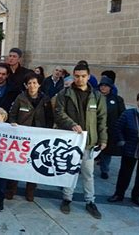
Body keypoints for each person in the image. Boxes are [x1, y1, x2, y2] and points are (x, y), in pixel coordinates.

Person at [54, 64, 107, 219]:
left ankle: (90, 201)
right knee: (69, 171)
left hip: (88, 142)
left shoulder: (97, 96)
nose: (80, 79)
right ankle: (66, 199)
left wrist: (103, 138)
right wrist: (71, 124)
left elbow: (102, 119)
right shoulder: (65, 94)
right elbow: (59, 112)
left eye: (83, 76)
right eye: (77, 76)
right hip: (70, 141)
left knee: (88, 174)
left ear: (88, 76)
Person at [7, 73, 54, 201]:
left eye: (34, 83)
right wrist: (13, 125)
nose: (32, 86)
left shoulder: (45, 99)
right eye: (29, 83)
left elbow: (50, 117)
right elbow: (12, 114)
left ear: (39, 84)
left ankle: (30, 190)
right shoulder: (20, 98)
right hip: (22, 136)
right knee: (17, 163)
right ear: (26, 85)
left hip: (38, 137)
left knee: (34, 164)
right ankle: (11, 189)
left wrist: (48, 132)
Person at [108, 90, 139, 207]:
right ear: (138, 101)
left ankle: (137, 196)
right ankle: (119, 194)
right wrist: (122, 141)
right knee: (124, 173)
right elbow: (118, 129)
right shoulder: (128, 114)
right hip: (130, 148)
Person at [97, 76, 125, 179]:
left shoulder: (117, 99)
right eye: (102, 86)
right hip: (96, 128)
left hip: (110, 129)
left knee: (107, 151)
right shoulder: (94, 97)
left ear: (110, 87)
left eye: (106, 86)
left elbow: (122, 114)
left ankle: (104, 170)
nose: (103, 88)